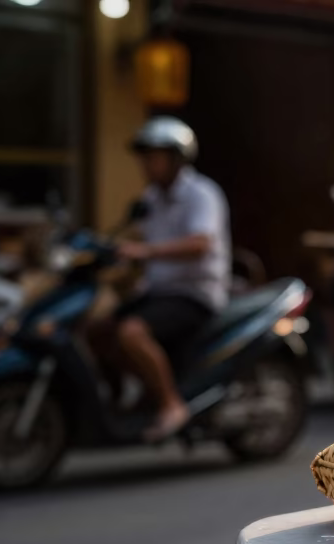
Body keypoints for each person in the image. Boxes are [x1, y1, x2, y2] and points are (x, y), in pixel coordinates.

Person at [114, 116, 230, 440]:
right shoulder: (151, 198)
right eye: (145, 158)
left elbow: (199, 244)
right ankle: (144, 394)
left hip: (194, 294)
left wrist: (145, 252)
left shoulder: (201, 194)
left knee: (132, 332)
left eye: (154, 157)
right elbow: (135, 236)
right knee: (100, 329)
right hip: (158, 291)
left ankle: (171, 404)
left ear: (177, 159)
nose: (147, 165)